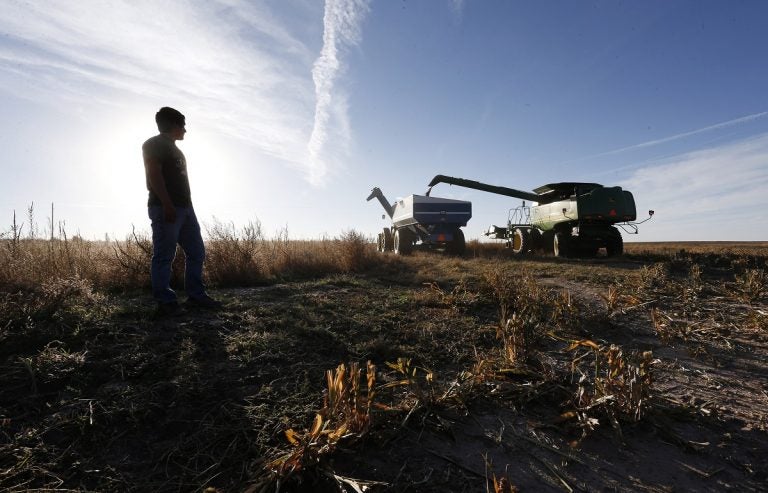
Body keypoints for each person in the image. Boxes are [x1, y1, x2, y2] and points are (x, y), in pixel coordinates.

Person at [143, 107, 221, 314]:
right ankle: (166, 303)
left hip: (186, 209)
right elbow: (154, 174)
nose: (185, 130)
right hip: (166, 207)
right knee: (164, 255)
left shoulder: (176, 149)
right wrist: (167, 204)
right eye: (183, 125)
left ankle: (196, 296)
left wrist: (188, 208)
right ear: (174, 125)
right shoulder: (154, 144)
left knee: (197, 252)